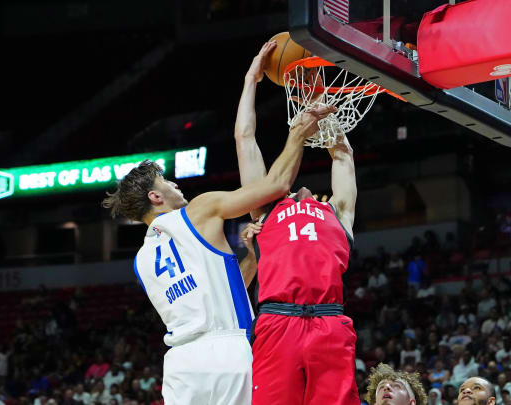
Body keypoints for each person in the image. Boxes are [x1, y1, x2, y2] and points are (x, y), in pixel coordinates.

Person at [102, 64, 334, 404]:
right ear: (156, 197)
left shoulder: (141, 261)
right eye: (165, 182)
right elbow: (276, 185)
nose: (174, 184)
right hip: (229, 351)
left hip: (181, 367)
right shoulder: (197, 210)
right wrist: (298, 132)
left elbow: (216, 290)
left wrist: (251, 259)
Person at [234, 41, 359, 405]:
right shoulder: (267, 207)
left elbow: (343, 155)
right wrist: (250, 80)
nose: (303, 186)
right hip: (278, 320)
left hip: (330, 322)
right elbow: (245, 140)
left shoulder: (338, 211)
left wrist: (319, 101)